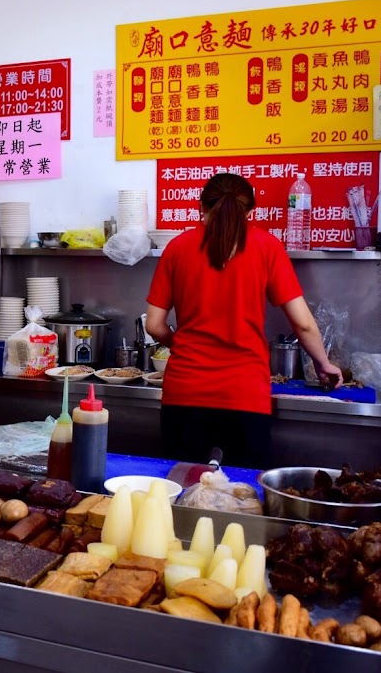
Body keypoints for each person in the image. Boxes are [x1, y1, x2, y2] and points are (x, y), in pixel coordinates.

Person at [144, 173, 343, 468]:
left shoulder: (177, 248)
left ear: (201, 207)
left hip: (185, 392)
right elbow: (303, 324)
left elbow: (154, 325)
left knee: (181, 494)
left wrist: (181, 344)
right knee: (244, 496)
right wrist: (323, 363)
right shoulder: (268, 247)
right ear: (251, 211)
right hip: (245, 394)